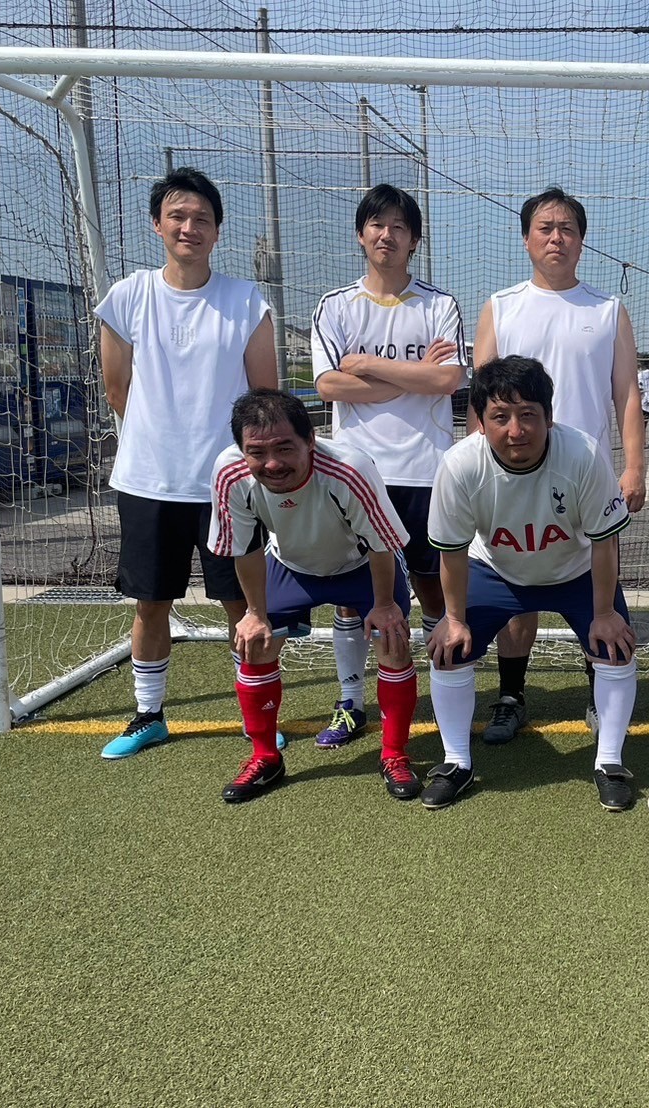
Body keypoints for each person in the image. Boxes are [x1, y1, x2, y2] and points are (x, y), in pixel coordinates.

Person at [96, 168, 278, 760]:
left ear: (217, 230)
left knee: (242, 605)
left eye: (201, 218)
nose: (189, 227)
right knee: (152, 603)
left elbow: (265, 398)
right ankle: (148, 715)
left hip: (227, 486)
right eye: (177, 216)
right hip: (148, 481)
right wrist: (164, 440)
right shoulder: (128, 296)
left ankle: (257, 718)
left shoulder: (245, 301)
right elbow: (117, 389)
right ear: (157, 224)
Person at [423, 356, 639, 811]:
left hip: (575, 571)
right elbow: (452, 552)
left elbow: (605, 542)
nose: (516, 430)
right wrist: (454, 619)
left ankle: (610, 762)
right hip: (496, 571)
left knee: (615, 645)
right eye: (500, 416)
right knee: (448, 649)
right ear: (480, 421)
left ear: (549, 416)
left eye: (528, 414)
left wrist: (604, 614)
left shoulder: (582, 454)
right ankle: (456, 761)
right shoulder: (459, 466)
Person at [472, 187, 645, 745]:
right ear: (526, 238)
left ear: (582, 240)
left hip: (586, 481)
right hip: (513, 476)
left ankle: (600, 693)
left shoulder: (607, 310)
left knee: (596, 582)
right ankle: (511, 696)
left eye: (567, 228)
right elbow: (482, 402)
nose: (556, 237)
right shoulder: (501, 306)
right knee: (515, 588)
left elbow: (627, 394)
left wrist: (634, 466)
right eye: (545, 228)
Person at [311, 184, 466, 750]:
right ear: (361, 234)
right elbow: (328, 385)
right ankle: (351, 701)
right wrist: (411, 376)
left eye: (399, 227)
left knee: (432, 588)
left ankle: (444, 687)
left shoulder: (439, 305)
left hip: (426, 472)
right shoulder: (335, 306)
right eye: (377, 225)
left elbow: (447, 379)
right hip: (358, 474)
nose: (387, 235)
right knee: (353, 595)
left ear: (414, 240)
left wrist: (367, 365)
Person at [208, 389, 420, 804]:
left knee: (393, 643)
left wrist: (383, 606)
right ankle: (265, 757)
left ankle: (394, 754)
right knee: (256, 642)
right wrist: (255, 612)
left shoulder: (349, 468)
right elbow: (245, 548)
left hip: (362, 564)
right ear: (241, 450)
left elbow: (382, 545)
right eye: (257, 452)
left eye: (284, 448)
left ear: (310, 440)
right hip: (291, 565)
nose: (272, 463)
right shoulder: (230, 472)